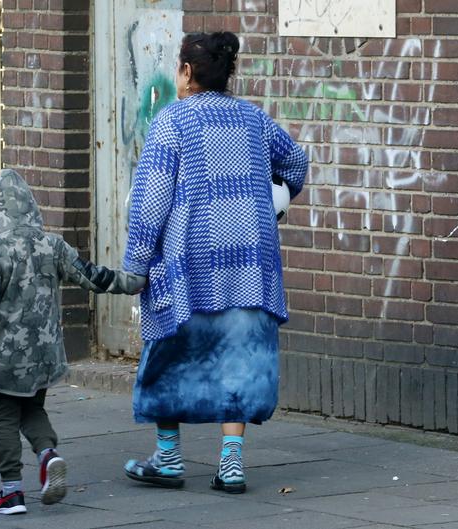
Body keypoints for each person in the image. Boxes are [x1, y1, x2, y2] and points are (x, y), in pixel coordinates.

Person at [121, 31, 308, 494]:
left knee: (169, 355)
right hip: (250, 265)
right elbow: (298, 164)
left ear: (186, 72)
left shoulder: (172, 122)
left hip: (190, 268)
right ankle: (231, 466)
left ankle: (167, 459)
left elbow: (149, 203)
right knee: (241, 360)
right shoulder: (254, 120)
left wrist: (136, 265)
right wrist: (271, 196)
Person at [0, 169, 145, 515]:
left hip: (2, 360)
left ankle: (11, 492)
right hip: (43, 355)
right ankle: (48, 454)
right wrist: (130, 282)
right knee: (32, 409)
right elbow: (91, 275)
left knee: (1, 419)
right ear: (30, 207)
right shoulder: (51, 244)